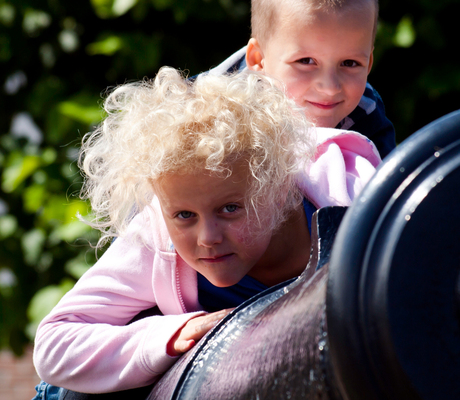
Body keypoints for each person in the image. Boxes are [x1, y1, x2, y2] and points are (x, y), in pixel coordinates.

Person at [33, 68, 380, 398]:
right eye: (184, 215)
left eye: (230, 209)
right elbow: (54, 343)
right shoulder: (157, 235)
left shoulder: (349, 199)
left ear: (278, 191)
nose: (207, 237)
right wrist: (170, 336)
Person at [202, 0, 396, 159]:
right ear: (258, 60)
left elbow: (388, 184)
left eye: (349, 63)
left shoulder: (366, 111)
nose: (329, 87)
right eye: (306, 61)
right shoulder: (211, 116)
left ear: (368, 65)